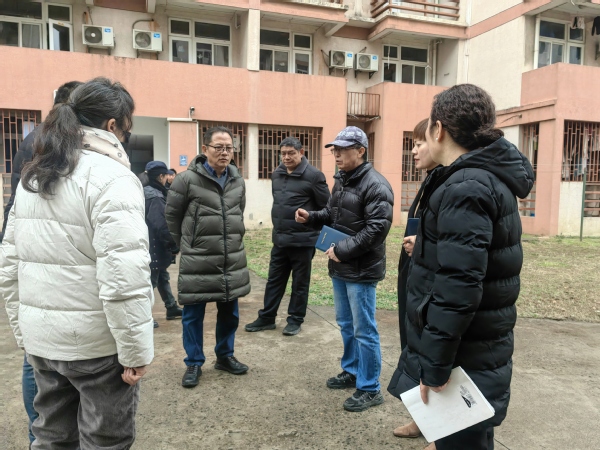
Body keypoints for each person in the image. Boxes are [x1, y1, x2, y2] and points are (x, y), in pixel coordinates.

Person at [0, 77, 154, 449]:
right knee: (104, 441)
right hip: (96, 349)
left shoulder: (34, 175)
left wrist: (26, 334)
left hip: (43, 344)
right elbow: (124, 278)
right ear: (113, 125)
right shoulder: (114, 179)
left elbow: (9, 264)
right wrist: (135, 352)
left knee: (51, 437)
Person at [392, 84, 534, 450]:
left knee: (465, 441)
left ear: (439, 129)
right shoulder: (476, 178)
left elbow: (458, 287)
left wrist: (435, 365)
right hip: (475, 346)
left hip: (465, 355)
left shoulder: (466, 186)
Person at [0, 80, 82, 447]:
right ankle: (48, 430)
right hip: (50, 251)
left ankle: (42, 430)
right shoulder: (63, 144)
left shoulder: (33, 140)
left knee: (37, 350)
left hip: (29, 247)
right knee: (45, 355)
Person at [295, 126, 393, 412]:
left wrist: (342, 250)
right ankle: (352, 371)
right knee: (347, 324)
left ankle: (370, 387)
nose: (336, 155)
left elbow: (377, 230)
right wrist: (311, 217)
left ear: (360, 151)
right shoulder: (342, 180)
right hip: (340, 266)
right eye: (334, 150)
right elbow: (332, 214)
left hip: (361, 270)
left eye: (342, 150)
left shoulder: (376, 185)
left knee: (364, 330)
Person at [166, 126, 251, 388]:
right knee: (193, 314)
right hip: (198, 258)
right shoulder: (186, 180)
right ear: (205, 149)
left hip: (229, 258)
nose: (225, 153)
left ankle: (225, 356)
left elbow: (238, 213)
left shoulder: (237, 180)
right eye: (219, 147)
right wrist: (187, 245)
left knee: (230, 312)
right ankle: (194, 362)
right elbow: (172, 216)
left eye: (229, 148)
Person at [387, 118, 441, 441]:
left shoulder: (453, 182)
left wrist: (423, 246)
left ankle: (442, 432)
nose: (414, 149)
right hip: (415, 274)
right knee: (414, 350)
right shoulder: (431, 179)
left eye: (420, 142)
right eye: (413, 143)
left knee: (434, 356)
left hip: (433, 283)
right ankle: (422, 419)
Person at [245, 137, 330, 336]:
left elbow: (328, 208)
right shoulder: (277, 174)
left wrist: (310, 218)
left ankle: (295, 320)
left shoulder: (314, 176)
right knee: (274, 281)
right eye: (283, 153)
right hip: (280, 240)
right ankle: (267, 317)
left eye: (291, 153)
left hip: (303, 241)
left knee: (300, 284)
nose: (286, 157)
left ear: (301, 152)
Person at [143, 161, 183, 328]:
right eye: (166, 175)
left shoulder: (146, 191)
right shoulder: (155, 196)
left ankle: (171, 307)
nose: (168, 178)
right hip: (154, 246)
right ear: (161, 176)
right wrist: (173, 244)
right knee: (151, 282)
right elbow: (160, 224)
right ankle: (143, 317)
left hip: (151, 244)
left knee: (161, 277)